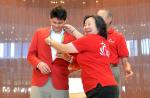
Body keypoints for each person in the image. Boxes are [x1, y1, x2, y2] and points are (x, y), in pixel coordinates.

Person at [63, 9, 133, 97]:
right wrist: (73, 30)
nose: (96, 19)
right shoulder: (91, 35)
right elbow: (83, 42)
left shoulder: (118, 37)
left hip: (111, 70)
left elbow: (124, 58)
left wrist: (127, 69)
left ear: (109, 19)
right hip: (94, 71)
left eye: (99, 17)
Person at [45, 15, 119, 98]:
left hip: (98, 86)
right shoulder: (103, 41)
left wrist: (50, 41)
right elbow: (88, 55)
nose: (86, 27)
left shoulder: (89, 40)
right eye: (85, 25)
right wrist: (73, 31)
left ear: (99, 26)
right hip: (110, 86)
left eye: (89, 24)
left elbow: (64, 48)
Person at [27, 6, 76, 98]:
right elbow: (30, 55)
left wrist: (69, 58)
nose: (57, 25)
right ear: (50, 19)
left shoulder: (71, 38)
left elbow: (77, 62)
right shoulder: (39, 33)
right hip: (39, 82)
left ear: (65, 21)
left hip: (61, 82)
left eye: (60, 23)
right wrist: (39, 64)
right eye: (54, 22)